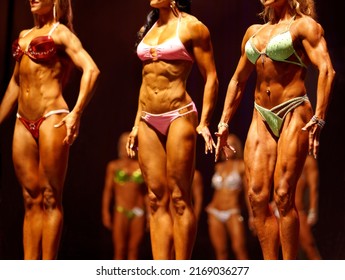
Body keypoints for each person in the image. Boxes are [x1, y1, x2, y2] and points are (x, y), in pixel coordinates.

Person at [215, 0, 335, 259]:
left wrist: (320, 116)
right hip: (261, 114)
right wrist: (224, 122)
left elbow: (327, 69)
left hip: (293, 109)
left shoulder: (304, 26)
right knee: (256, 197)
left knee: (283, 195)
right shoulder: (253, 32)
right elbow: (238, 79)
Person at [0, 0, 100, 259]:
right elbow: (15, 82)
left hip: (52, 117)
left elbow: (92, 70)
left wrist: (76, 112)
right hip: (23, 120)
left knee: (49, 197)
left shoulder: (61, 33)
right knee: (30, 198)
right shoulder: (24, 35)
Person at [126, 0, 218, 259]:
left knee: (179, 197)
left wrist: (205, 122)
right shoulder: (149, 28)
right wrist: (135, 125)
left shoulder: (193, 28)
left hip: (179, 114)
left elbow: (211, 76)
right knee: (155, 199)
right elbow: (145, 82)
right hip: (147, 118)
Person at [102, 132, 147, 260]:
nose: (125, 146)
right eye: (122, 144)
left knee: (134, 249)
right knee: (120, 249)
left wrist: (150, 214)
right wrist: (105, 212)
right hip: (120, 210)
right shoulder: (113, 166)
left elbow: (145, 194)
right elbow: (108, 190)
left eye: (129, 143)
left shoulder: (141, 166)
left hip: (138, 212)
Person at [206, 134, 249, 260]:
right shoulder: (218, 166)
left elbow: (247, 193)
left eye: (230, 145)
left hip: (232, 211)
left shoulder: (241, 166)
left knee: (239, 248)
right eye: (225, 145)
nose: (227, 148)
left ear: (236, 148)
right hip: (214, 211)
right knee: (220, 251)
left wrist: (252, 216)